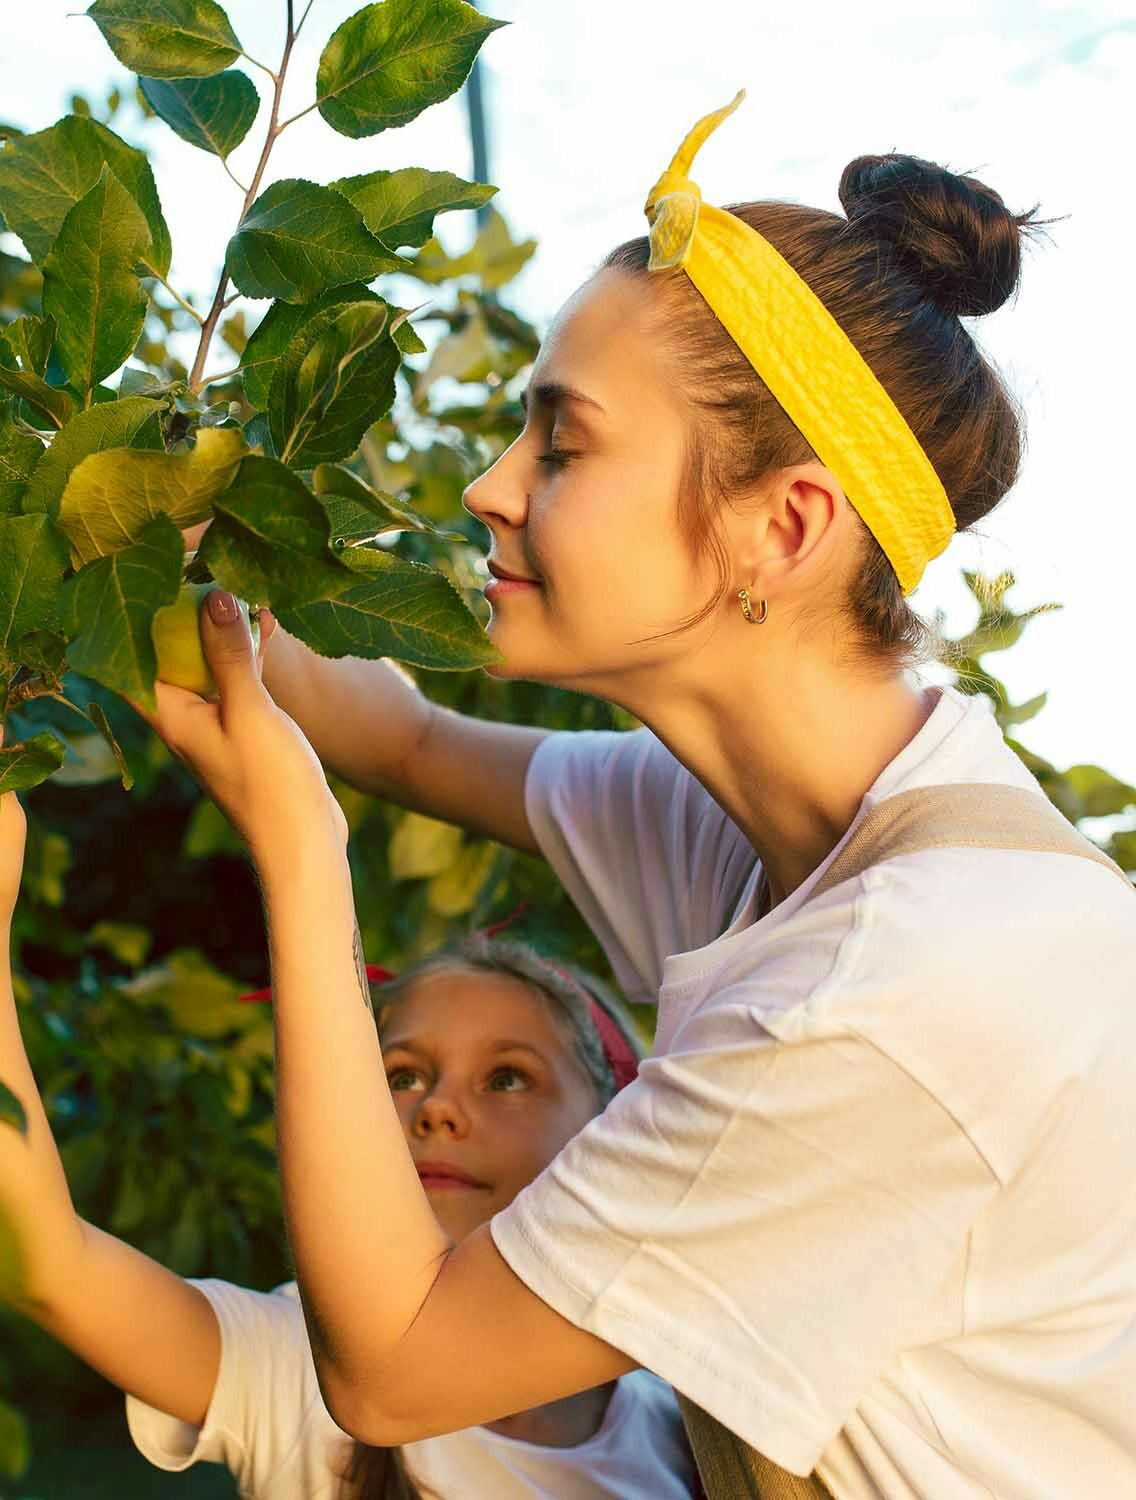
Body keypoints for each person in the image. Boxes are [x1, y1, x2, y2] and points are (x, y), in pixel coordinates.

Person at [128, 93, 1134, 1496]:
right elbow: (408, 740)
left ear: (780, 526)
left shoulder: (897, 983)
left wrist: (301, 851)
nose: (491, 484)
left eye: (562, 442)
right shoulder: (766, 829)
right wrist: (150, 540)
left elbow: (394, 1367)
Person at [0, 807, 699, 1499]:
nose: (437, 1109)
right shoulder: (294, 1362)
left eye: (507, 1078)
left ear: (609, 1129)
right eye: (403, 1076)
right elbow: (50, 1262)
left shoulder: (682, 1426)